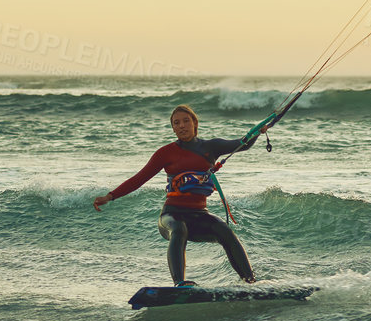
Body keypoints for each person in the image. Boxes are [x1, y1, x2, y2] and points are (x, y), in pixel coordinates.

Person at [93, 104, 262, 285]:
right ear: (173, 128)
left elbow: (242, 143)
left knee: (225, 231)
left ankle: (250, 282)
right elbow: (139, 179)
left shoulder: (211, 147)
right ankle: (179, 284)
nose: (181, 126)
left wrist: (260, 130)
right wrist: (110, 196)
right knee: (179, 229)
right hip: (171, 215)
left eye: (186, 121)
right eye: (176, 123)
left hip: (199, 215)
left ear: (195, 123)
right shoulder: (165, 153)